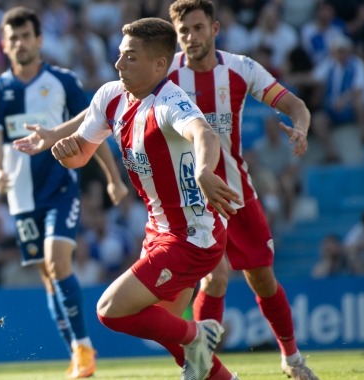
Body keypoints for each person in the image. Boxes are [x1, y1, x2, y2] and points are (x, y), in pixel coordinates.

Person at [52, 17, 240, 380]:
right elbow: (80, 156)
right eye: (120, 55)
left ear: (158, 64)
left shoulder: (170, 102)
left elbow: (205, 134)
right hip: (159, 229)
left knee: (110, 310)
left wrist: (204, 171)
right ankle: (219, 374)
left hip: (193, 237)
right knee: (168, 331)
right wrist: (65, 150)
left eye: (130, 57)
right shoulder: (110, 97)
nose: (118, 64)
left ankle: (198, 334)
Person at [166, 1, 318, 379]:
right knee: (214, 277)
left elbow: (294, 104)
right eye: (183, 31)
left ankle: (291, 358)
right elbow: (108, 102)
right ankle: (202, 367)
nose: (191, 37)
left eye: (198, 28)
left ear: (215, 29)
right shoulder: (163, 72)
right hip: (194, 200)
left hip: (236, 194)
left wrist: (300, 126)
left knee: (263, 281)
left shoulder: (240, 68)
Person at [0, 7, 128, 379]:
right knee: (49, 275)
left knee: (58, 261)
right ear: (4, 44)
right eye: (12, 38)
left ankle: (83, 347)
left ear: (39, 40)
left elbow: (96, 130)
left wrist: (113, 178)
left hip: (62, 189)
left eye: (26, 36)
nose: (20, 43)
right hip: (21, 197)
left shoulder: (63, 82)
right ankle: (78, 354)